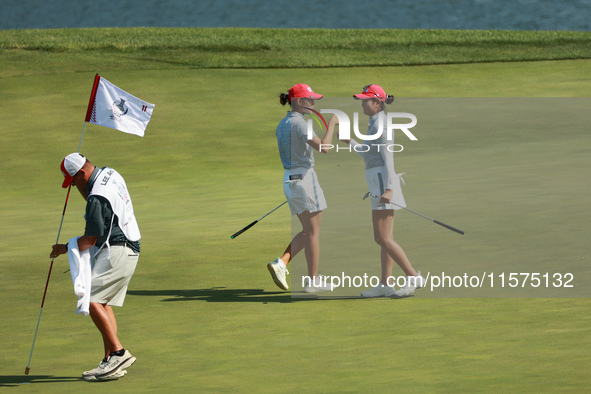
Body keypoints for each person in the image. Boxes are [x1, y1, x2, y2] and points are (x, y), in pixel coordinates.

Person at [50, 153, 140, 380]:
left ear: (81, 173)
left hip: (117, 250)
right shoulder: (110, 173)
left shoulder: (95, 198)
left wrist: (64, 247)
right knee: (103, 303)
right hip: (128, 247)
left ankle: (119, 353)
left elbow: (89, 240)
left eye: (73, 181)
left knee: (91, 301)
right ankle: (110, 361)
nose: (74, 187)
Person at [343, 84, 424, 297]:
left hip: (382, 182)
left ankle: (413, 277)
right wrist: (350, 141)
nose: (362, 104)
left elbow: (388, 158)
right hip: (377, 179)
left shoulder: (381, 125)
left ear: (377, 103)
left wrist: (389, 188)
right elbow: (370, 155)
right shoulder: (374, 122)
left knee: (382, 238)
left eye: (365, 101)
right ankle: (385, 284)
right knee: (385, 237)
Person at [267, 83, 338, 293]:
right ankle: (310, 281)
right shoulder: (302, 124)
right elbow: (324, 148)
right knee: (313, 232)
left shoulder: (283, 123)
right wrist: (332, 123)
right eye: (310, 100)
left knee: (308, 232)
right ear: (299, 102)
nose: (313, 104)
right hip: (305, 179)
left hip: (289, 179)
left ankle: (283, 264)